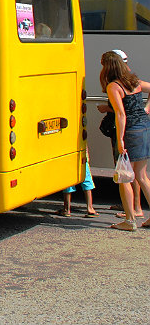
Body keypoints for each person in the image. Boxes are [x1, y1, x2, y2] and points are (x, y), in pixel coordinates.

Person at [100, 50, 150, 231]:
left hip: (130, 131)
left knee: (124, 178)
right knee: (142, 177)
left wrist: (120, 139)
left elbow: (120, 114)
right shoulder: (133, 81)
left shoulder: (114, 86)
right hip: (145, 127)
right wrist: (146, 108)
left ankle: (129, 221)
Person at [60, 147, 97, 217]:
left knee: (68, 181)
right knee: (86, 179)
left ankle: (66, 209)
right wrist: (86, 154)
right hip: (81, 154)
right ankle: (90, 208)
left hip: (68, 154)